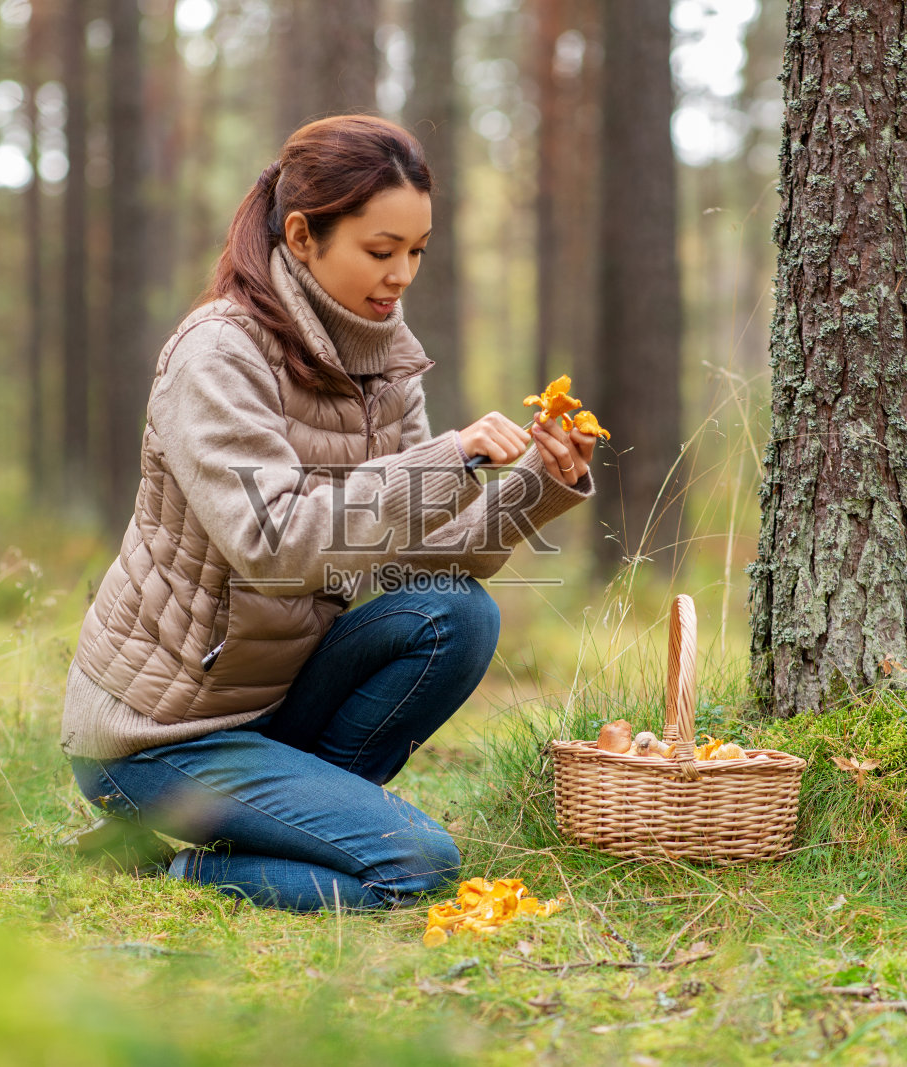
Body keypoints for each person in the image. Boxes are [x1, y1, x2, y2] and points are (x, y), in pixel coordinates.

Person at [62, 115, 597, 912]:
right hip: (159, 738)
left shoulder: (386, 359)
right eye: (380, 252)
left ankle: (283, 818)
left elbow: (428, 557)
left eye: (416, 251)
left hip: (271, 705)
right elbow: (272, 544)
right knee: (415, 865)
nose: (402, 275)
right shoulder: (219, 356)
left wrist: (533, 484)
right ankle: (170, 860)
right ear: (304, 235)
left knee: (457, 613)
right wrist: (448, 459)